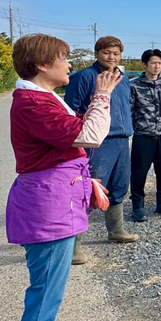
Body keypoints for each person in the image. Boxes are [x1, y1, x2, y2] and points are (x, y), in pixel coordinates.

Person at [5, 34, 119, 321]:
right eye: (63, 57)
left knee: (51, 289)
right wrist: (102, 95)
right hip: (48, 205)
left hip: (56, 199)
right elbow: (89, 134)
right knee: (45, 290)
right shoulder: (34, 103)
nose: (69, 64)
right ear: (42, 64)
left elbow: (74, 134)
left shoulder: (43, 98)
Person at [64, 36, 138, 255]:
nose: (111, 57)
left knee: (119, 186)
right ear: (96, 53)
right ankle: (73, 247)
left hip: (121, 140)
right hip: (97, 143)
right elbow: (72, 110)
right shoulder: (85, 76)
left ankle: (116, 230)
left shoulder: (123, 79)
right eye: (107, 53)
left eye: (116, 53)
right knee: (88, 190)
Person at [129, 49, 161, 220]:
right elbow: (129, 111)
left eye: (159, 63)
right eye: (153, 63)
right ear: (144, 64)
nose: (156, 66)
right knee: (139, 171)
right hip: (143, 135)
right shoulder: (134, 86)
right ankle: (137, 206)